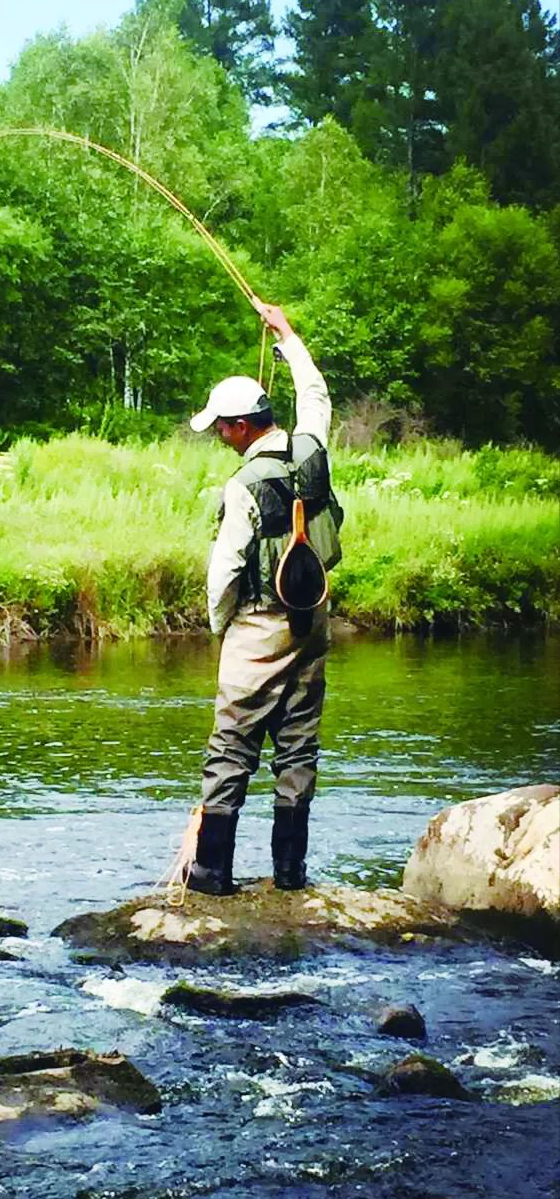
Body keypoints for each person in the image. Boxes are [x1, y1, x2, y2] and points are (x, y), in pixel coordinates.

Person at [185, 299, 342, 896]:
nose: (220, 436)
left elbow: (224, 569)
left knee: (232, 746)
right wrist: (287, 335)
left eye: (221, 427)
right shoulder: (312, 448)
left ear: (243, 426)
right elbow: (317, 394)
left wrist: (220, 628)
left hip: (258, 626)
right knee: (298, 745)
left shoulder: (244, 484)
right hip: (313, 618)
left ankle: (211, 875)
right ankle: (289, 876)